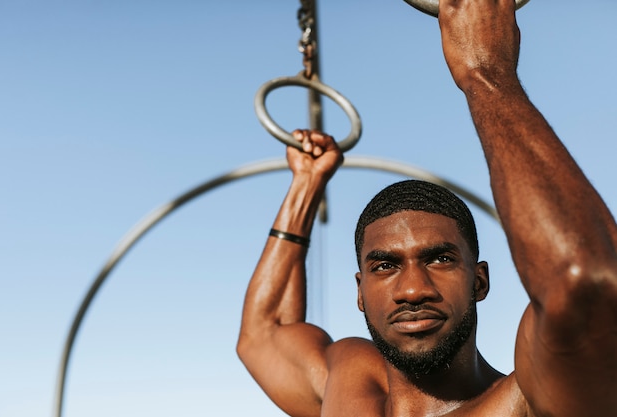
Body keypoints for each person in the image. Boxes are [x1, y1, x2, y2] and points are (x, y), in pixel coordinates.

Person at [237, 0, 617, 416]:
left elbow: (587, 286)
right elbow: (264, 334)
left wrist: (486, 76)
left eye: (439, 259)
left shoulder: (529, 402)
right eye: (385, 266)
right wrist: (306, 186)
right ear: (360, 292)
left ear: (479, 280)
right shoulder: (348, 383)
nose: (413, 290)